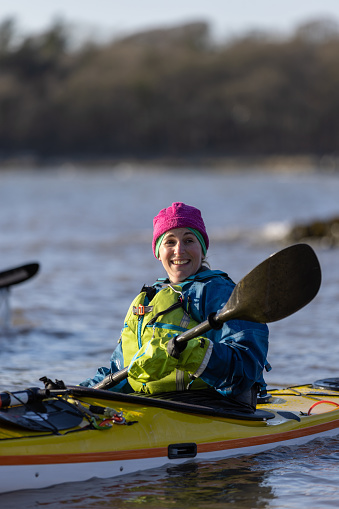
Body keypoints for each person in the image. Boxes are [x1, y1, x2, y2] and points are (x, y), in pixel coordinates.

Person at [81, 202, 269, 410]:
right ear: (158, 252)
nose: (179, 250)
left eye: (189, 240)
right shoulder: (145, 302)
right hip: (156, 407)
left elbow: (247, 366)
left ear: (202, 249)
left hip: (214, 408)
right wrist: (77, 394)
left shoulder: (218, 292)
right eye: (169, 242)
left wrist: (189, 353)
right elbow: (119, 371)